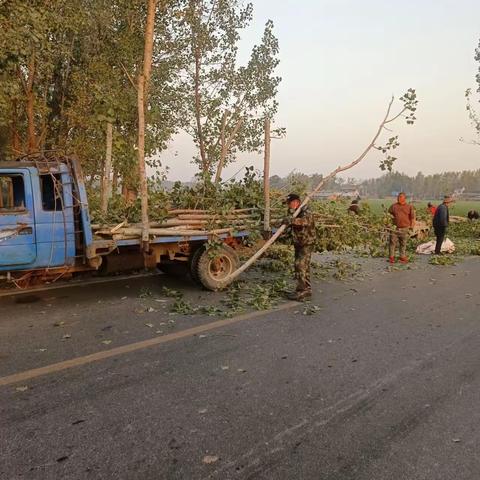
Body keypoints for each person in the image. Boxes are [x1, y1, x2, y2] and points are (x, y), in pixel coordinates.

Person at [283, 193, 316, 301]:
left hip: (307, 242)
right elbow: (290, 225)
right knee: (300, 267)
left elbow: (305, 222)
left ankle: (304, 291)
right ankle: (302, 289)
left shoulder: (306, 210)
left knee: (300, 265)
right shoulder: (293, 211)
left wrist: (292, 221)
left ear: (296, 202)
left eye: (289, 203)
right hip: (298, 242)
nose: (288, 206)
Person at [388, 192, 415, 264]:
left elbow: (412, 218)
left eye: (400, 197)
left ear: (404, 198)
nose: (398, 198)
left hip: (405, 228)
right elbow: (388, 216)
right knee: (392, 243)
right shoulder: (393, 206)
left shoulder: (409, 207)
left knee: (403, 243)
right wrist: (388, 224)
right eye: (398, 197)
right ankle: (391, 257)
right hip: (394, 228)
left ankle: (402, 257)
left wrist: (412, 227)